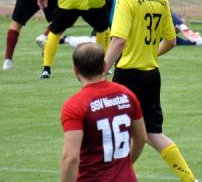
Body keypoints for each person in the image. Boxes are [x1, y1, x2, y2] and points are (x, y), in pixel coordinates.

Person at [105, 0, 199, 182]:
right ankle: (189, 179)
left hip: (127, 76)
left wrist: (102, 69)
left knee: (116, 131)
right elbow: (171, 40)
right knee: (152, 133)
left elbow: (118, 40)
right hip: (151, 76)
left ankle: (113, 175)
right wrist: (150, 54)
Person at [60, 42, 147, 182]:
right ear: (104, 66)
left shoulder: (75, 105)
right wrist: (124, 165)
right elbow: (141, 137)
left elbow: (71, 158)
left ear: (75, 70)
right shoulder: (127, 95)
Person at [61, 0, 202, 49]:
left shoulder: (160, 19)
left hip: (115, 18)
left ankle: (65, 39)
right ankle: (66, 39)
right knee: (96, 43)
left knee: (97, 43)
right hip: (112, 19)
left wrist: (195, 41)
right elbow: (173, 38)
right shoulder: (156, 9)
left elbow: (174, 39)